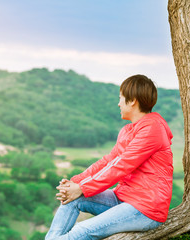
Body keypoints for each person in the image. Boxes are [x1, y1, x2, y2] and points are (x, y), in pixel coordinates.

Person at [45, 74, 173, 240]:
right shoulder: (128, 131)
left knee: (82, 230)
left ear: (132, 100)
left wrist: (83, 187)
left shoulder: (152, 129)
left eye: (120, 98)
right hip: (124, 199)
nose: (118, 103)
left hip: (145, 208)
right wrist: (76, 182)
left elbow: (121, 166)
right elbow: (108, 161)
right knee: (72, 199)